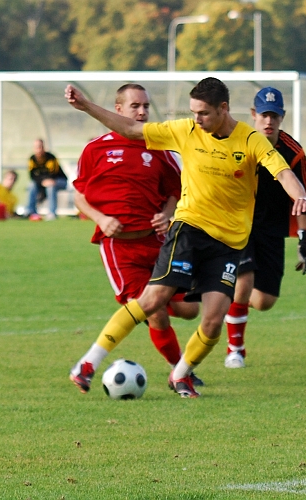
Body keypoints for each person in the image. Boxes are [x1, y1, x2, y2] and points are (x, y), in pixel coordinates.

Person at [65, 77, 306, 398]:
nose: (197, 119)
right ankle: (87, 363)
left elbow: (283, 172)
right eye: (193, 111)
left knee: (212, 320)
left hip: (229, 243)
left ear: (223, 109)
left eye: (204, 113)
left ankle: (180, 376)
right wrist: (86, 106)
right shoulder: (186, 131)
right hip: (189, 230)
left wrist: (300, 197)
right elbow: (132, 130)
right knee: (152, 300)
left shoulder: (251, 140)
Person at [73, 83, 203, 386]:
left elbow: (175, 188)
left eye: (145, 105)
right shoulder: (95, 149)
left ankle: (162, 321)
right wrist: (101, 218)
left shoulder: (158, 147)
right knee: (155, 313)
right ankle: (180, 372)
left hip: (157, 243)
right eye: (135, 106)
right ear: (118, 110)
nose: (142, 111)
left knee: (189, 309)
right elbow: (80, 196)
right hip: (119, 248)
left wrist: (168, 212)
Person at [223, 87, 306, 369]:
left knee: (264, 301)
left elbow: (303, 199)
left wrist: (304, 239)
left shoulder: (294, 153)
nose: (268, 121)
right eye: (263, 114)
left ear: (282, 117)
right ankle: (235, 349)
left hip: (272, 228)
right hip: (240, 223)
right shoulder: (237, 143)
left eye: (274, 116)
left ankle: (228, 301)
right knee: (244, 281)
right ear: (253, 115)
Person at [27, 138, 67, 220]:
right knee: (31, 185)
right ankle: (31, 212)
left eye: (40, 147)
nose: (39, 149)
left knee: (51, 187)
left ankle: (51, 213)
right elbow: (32, 175)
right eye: (37, 147)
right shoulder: (32, 159)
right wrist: (42, 181)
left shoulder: (51, 157)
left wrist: (46, 181)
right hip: (43, 182)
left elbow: (54, 173)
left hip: (59, 180)